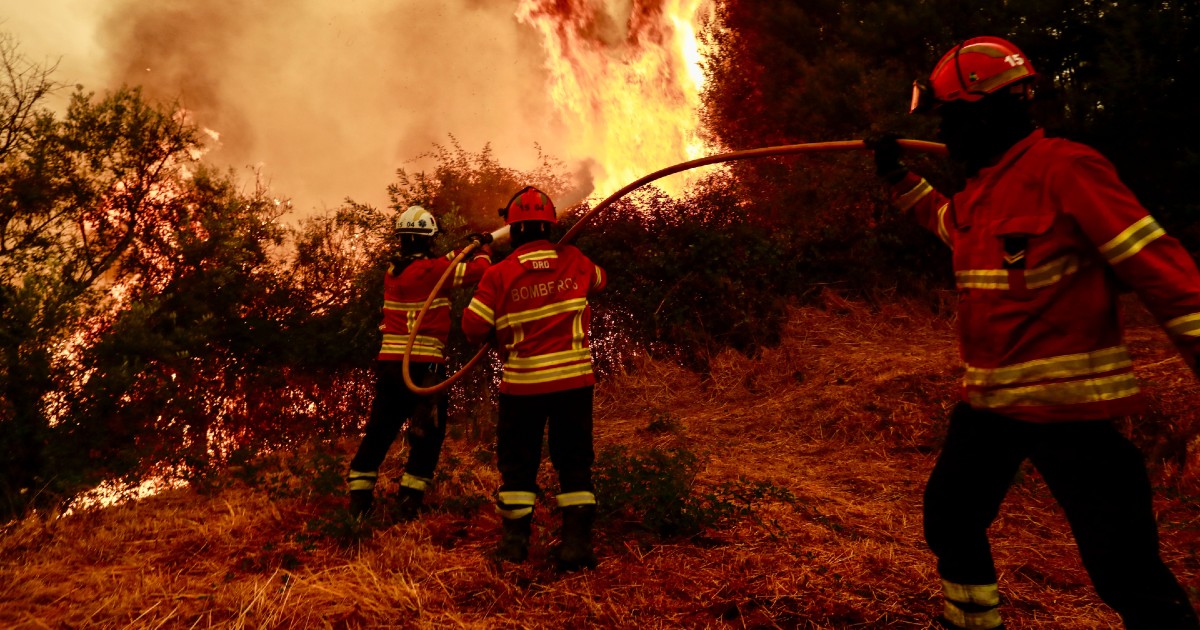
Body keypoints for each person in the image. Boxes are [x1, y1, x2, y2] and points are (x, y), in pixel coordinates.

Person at [870, 36, 1200, 630]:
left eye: (950, 117)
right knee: (951, 518)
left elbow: (1162, 272)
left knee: (1122, 568)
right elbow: (951, 226)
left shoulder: (1067, 170)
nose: (945, 131)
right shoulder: (984, 189)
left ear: (986, 111)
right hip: (990, 409)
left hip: (1068, 414)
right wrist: (899, 179)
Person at [460, 186, 607, 571]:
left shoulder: (498, 274)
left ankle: (514, 546)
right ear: (550, 226)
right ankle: (576, 546)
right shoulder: (575, 260)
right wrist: (563, 266)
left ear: (513, 230)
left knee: (518, 464)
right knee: (574, 461)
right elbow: (600, 280)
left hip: (524, 386)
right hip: (574, 384)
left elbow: (472, 327)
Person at [346, 205, 492, 520]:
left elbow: (437, 264)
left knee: (380, 431)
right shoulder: (435, 271)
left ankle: (359, 502)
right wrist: (483, 251)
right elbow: (480, 271)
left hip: (390, 368)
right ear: (428, 240)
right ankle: (409, 501)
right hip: (425, 369)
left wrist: (465, 246)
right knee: (428, 435)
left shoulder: (393, 271)